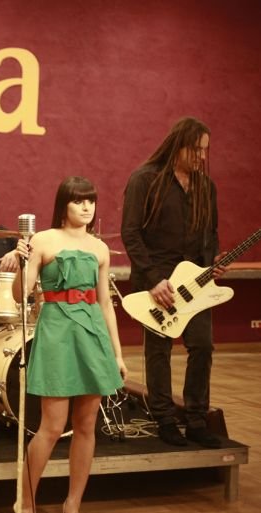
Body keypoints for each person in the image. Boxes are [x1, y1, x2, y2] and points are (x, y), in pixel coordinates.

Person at [15, 176, 127, 513]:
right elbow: (20, 295)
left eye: (91, 200)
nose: (87, 207)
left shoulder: (100, 248)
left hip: (92, 334)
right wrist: (21, 263)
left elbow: (105, 304)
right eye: (79, 200)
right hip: (57, 333)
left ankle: (73, 503)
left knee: (87, 425)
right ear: (63, 205)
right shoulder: (42, 239)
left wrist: (118, 354)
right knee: (51, 427)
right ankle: (25, 503)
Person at [121, 116, 226, 448]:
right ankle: (164, 419)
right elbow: (130, 233)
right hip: (157, 281)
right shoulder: (144, 179)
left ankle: (196, 420)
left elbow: (210, 233)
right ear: (177, 145)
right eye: (196, 149)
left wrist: (212, 263)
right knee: (159, 351)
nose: (201, 157)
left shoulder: (206, 187)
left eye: (205, 150)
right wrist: (153, 279)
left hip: (196, 283)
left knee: (202, 346)